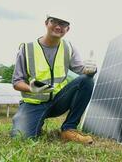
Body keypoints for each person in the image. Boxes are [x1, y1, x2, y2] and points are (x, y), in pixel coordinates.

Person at [11, 14, 97, 144]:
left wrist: (92, 70)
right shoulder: (26, 49)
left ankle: (69, 129)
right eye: (54, 22)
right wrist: (31, 89)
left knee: (87, 80)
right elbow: (17, 82)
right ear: (46, 23)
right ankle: (34, 122)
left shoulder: (68, 48)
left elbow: (82, 70)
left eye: (63, 24)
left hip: (58, 101)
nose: (58, 26)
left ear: (67, 29)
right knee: (21, 138)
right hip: (34, 104)